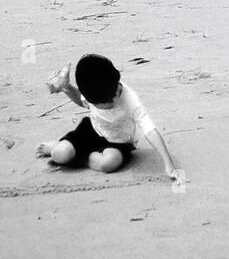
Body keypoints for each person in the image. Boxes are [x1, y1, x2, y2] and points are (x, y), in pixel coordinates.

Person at [36, 54, 183, 182]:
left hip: (118, 143)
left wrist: (169, 164)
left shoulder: (130, 100)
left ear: (113, 95)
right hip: (92, 131)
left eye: (103, 105)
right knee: (59, 155)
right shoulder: (93, 92)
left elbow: (150, 130)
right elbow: (81, 101)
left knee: (109, 163)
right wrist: (66, 87)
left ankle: (77, 154)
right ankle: (62, 148)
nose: (101, 107)